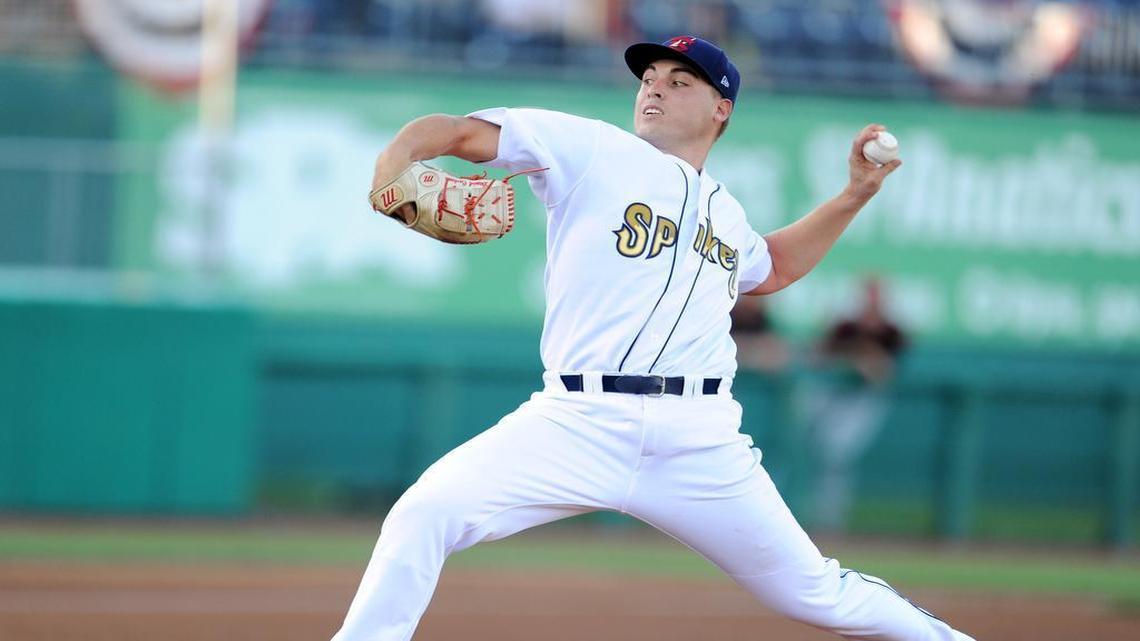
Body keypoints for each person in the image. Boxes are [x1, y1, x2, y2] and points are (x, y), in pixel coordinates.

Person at [339, 35, 973, 641]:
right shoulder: (592, 149)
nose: (654, 90)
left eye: (678, 81)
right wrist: (395, 159)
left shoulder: (726, 211)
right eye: (647, 79)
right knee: (425, 512)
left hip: (700, 438)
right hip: (577, 420)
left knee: (814, 592)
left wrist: (854, 196)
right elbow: (455, 132)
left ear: (721, 108)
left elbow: (772, 267)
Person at [801, 276, 909, 532]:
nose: (871, 301)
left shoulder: (891, 332)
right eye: (867, 295)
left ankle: (828, 519)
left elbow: (883, 371)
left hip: (862, 400)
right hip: (829, 393)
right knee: (802, 448)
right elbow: (816, 356)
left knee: (836, 455)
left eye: (876, 295)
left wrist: (862, 357)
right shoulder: (845, 326)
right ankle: (803, 513)